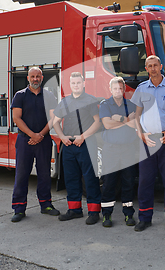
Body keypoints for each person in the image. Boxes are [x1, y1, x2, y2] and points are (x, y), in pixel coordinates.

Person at [131, 55, 165, 234]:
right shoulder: (141, 88)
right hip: (148, 141)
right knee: (145, 181)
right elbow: (136, 116)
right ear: (146, 68)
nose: (153, 68)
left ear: (161, 66)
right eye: (149, 66)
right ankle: (144, 219)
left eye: (155, 65)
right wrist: (140, 134)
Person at [10, 67, 59, 222]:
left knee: (44, 174)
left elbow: (53, 118)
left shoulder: (49, 95)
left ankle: (46, 205)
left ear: (42, 77)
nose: (35, 79)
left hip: (43, 140)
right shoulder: (20, 95)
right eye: (32, 76)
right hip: (25, 140)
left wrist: (41, 135)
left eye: (38, 76)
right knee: (22, 174)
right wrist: (33, 135)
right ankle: (19, 209)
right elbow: (16, 118)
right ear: (28, 78)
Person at [53, 72, 102, 225]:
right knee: (71, 178)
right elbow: (55, 122)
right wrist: (62, 137)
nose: (76, 85)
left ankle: (94, 212)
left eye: (78, 83)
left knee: (90, 178)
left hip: (86, 143)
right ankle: (74, 210)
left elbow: (97, 122)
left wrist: (83, 136)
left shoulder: (90, 100)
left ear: (83, 83)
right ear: (70, 85)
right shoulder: (65, 101)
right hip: (68, 144)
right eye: (73, 83)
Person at [99, 77, 138, 228]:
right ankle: (106, 214)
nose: (118, 91)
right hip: (111, 149)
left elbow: (135, 123)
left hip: (128, 148)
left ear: (124, 89)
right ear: (110, 89)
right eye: (115, 88)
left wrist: (118, 118)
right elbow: (107, 124)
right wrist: (126, 120)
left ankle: (128, 214)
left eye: (121, 88)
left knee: (128, 181)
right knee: (109, 182)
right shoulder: (105, 104)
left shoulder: (131, 105)